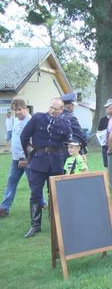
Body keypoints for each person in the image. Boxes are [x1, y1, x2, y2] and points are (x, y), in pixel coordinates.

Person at [20, 98, 72, 238]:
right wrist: (29, 155)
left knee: (56, 193)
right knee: (35, 193)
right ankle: (35, 225)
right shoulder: (37, 118)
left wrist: (65, 160)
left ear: (62, 110)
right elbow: (24, 136)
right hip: (38, 161)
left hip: (56, 162)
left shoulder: (65, 123)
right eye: (51, 107)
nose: (53, 110)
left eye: (56, 109)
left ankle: (57, 222)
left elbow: (68, 143)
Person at [0, 100, 32, 218]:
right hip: (15, 159)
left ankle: (41, 203)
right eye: (15, 110)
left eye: (19, 109)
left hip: (27, 159)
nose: (17, 112)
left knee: (33, 183)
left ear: (25, 108)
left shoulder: (30, 121)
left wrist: (25, 158)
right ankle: (4, 208)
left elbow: (32, 142)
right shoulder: (16, 120)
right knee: (11, 182)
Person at [61, 92, 88, 161]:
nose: (74, 107)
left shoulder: (57, 117)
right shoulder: (71, 118)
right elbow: (80, 135)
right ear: (69, 106)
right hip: (70, 151)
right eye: (73, 105)